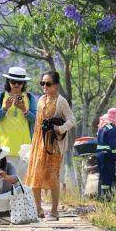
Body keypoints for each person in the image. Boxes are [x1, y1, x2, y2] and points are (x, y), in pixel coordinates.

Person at [24, 70, 75, 220]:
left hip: (53, 145)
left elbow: (71, 119)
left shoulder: (61, 101)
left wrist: (60, 129)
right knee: (35, 175)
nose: (45, 86)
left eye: (48, 83)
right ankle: (38, 209)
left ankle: (54, 211)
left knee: (53, 177)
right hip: (38, 143)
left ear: (56, 85)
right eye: (42, 83)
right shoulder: (40, 100)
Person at [0, 64, 38, 173]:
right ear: (8, 81)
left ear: (24, 83)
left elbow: (35, 119)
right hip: (3, 147)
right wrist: (5, 108)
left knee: (23, 183)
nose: (16, 84)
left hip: (24, 148)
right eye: (13, 81)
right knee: (5, 183)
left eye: (19, 82)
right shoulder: (1, 96)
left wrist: (24, 109)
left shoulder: (30, 98)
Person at [96, 106, 116, 196]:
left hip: (100, 155)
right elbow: (113, 147)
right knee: (108, 176)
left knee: (103, 176)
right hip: (107, 156)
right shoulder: (112, 129)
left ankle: (103, 196)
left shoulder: (102, 128)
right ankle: (107, 197)